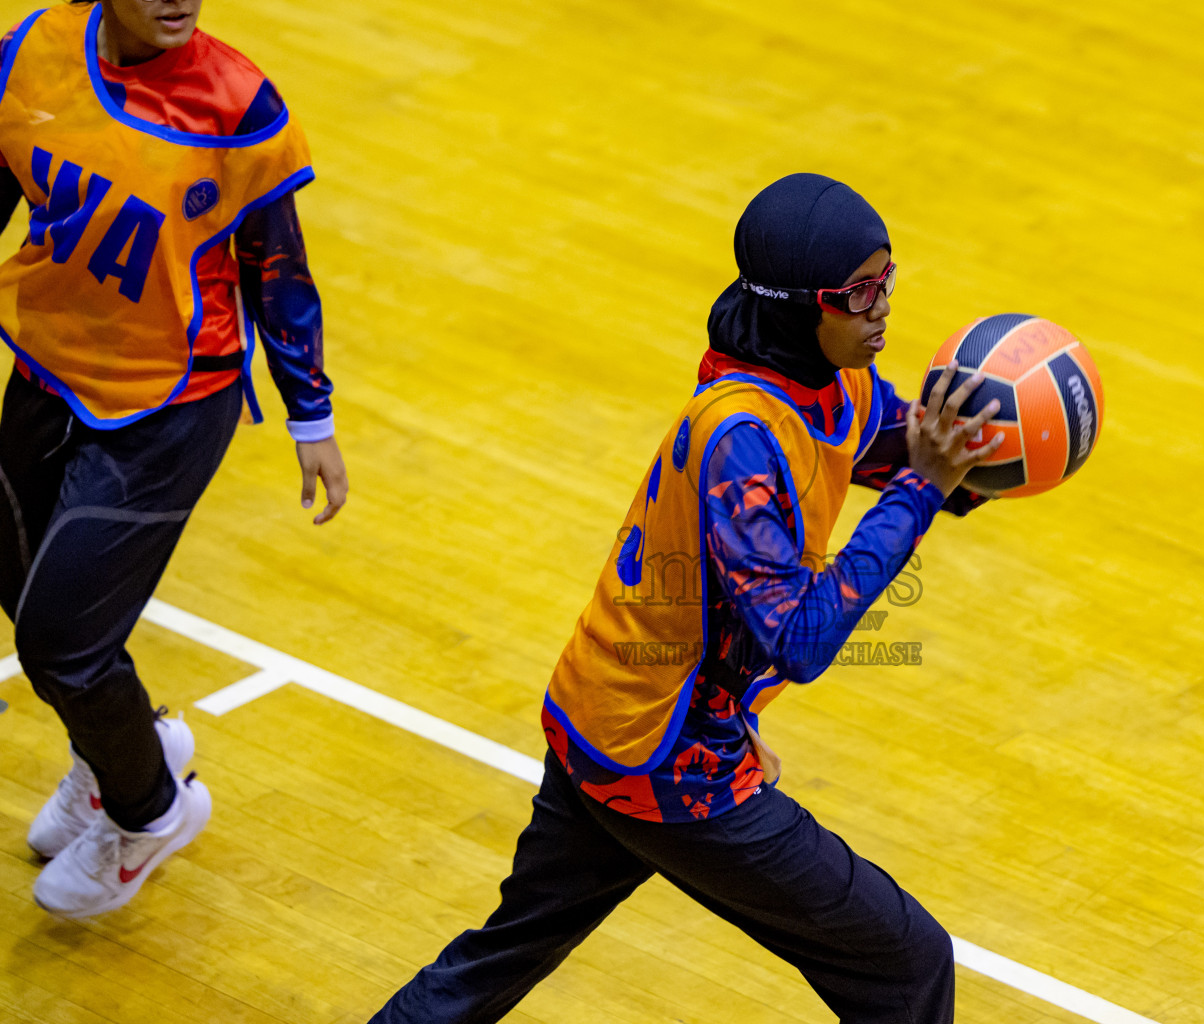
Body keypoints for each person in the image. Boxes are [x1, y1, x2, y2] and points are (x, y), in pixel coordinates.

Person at [370, 173, 1000, 1023]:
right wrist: (923, 489)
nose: (882, 306)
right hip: (669, 760)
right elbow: (801, 640)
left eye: (888, 281)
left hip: (603, 716)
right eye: (859, 293)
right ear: (798, 306)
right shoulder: (740, 440)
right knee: (906, 962)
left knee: (500, 956)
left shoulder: (828, 384)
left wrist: (998, 437)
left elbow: (926, 465)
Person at [0, 0, 347, 919]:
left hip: (173, 403)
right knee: (24, 588)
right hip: (47, 367)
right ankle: (118, 752)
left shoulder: (238, 106)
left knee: (62, 642)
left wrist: (311, 415)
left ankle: (151, 813)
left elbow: (279, 265)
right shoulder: (30, 54)